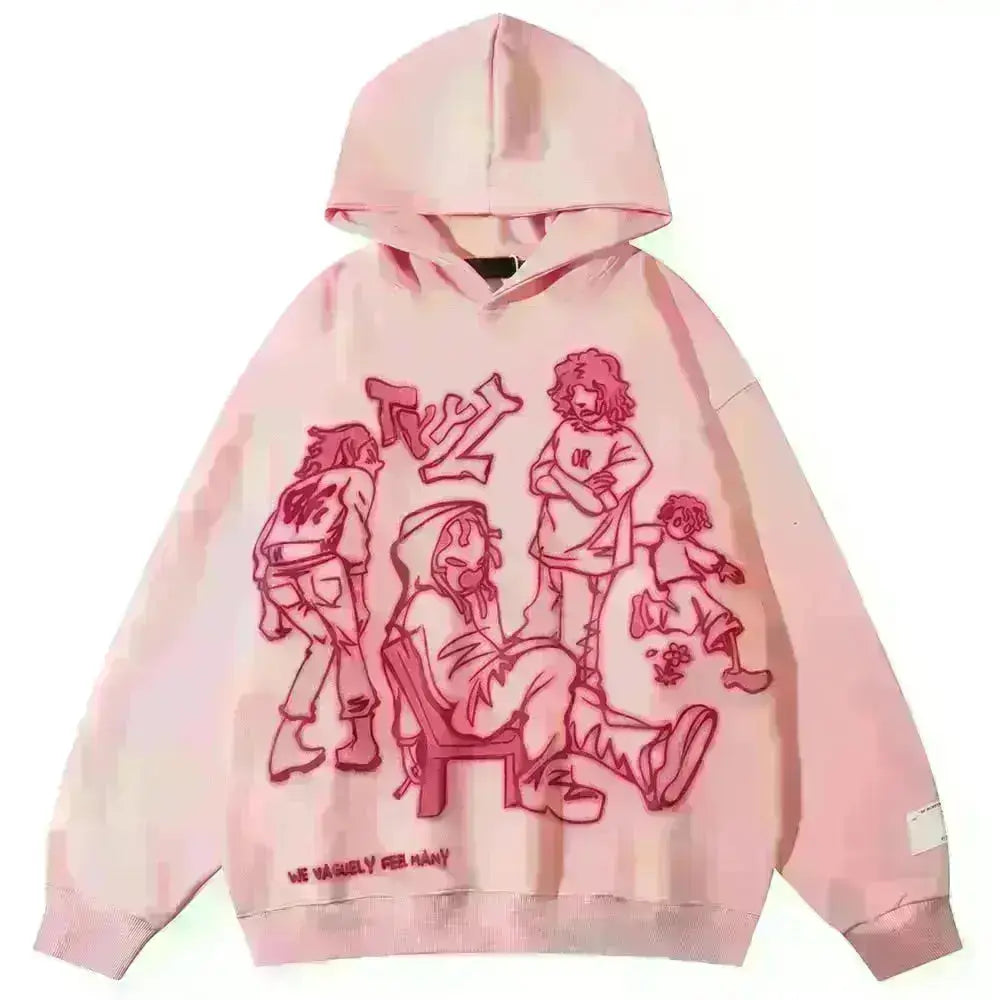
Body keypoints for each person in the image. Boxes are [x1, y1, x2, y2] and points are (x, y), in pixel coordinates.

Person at [385, 500, 718, 821]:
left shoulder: (480, 599)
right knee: (555, 664)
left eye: (476, 549)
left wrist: (521, 649)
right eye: (457, 551)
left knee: (576, 702)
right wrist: (409, 737)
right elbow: (403, 675)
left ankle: (650, 759)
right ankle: (539, 778)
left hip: (493, 693)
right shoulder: (424, 603)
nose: (472, 563)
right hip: (471, 708)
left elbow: (495, 651)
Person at [253, 423, 384, 781]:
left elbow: (264, 546)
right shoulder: (356, 477)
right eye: (370, 453)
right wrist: (358, 595)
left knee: (322, 646)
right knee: (349, 648)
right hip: (320, 567)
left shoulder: (295, 490)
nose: (376, 462)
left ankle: (286, 743)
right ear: (356, 452)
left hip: (279, 576)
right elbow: (354, 536)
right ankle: (362, 742)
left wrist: (269, 610)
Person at [523, 348, 652, 691]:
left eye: (591, 392)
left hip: (591, 556)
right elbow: (537, 479)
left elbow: (596, 504)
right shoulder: (565, 429)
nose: (581, 402)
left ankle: (578, 698)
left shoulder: (627, 447)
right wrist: (576, 485)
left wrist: (558, 475)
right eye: (573, 394)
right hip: (550, 545)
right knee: (542, 621)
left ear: (608, 392)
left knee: (578, 635)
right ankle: (547, 694)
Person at [630, 493, 773, 695]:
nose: (681, 529)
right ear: (667, 517)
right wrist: (611, 543)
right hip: (679, 590)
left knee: (723, 621)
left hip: (694, 590)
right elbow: (630, 535)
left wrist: (722, 566)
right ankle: (648, 612)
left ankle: (736, 671)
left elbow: (705, 556)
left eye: (688, 527)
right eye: (678, 521)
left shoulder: (687, 545)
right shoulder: (658, 534)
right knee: (687, 623)